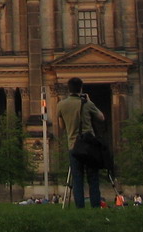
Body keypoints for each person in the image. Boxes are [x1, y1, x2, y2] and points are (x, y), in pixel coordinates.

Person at [57, 76, 106, 209]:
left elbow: (62, 126)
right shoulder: (87, 103)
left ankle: (80, 207)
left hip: (74, 146)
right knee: (93, 178)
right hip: (89, 146)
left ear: (69, 89)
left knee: (77, 179)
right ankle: (95, 206)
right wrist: (89, 101)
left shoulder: (61, 105)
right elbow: (101, 117)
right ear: (81, 88)